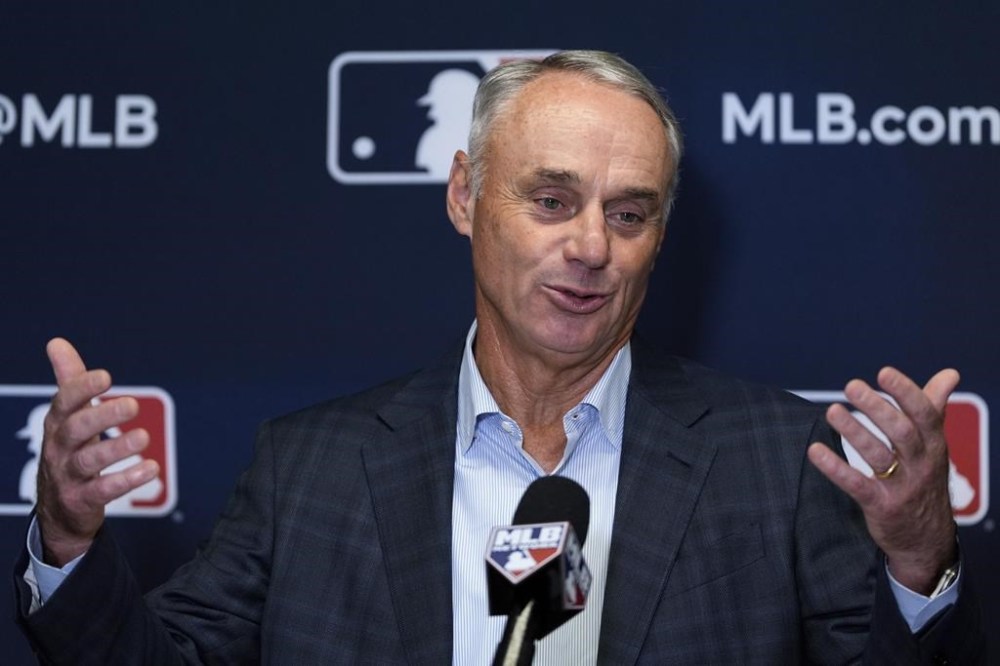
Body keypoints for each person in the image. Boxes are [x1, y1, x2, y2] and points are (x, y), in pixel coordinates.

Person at [14, 50, 985, 664]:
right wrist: (65, 541)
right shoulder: (309, 466)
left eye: (630, 213)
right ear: (464, 197)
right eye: (552, 201)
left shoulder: (778, 459)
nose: (592, 246)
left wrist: (915, 561)